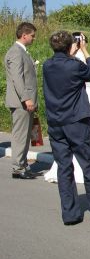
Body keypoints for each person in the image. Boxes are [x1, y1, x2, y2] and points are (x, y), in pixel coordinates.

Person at [42, 31, 90, 225]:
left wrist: (71, 51)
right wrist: (84, 50)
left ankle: (70, 214)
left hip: (56, 123)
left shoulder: (48, 65)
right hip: (76, 122)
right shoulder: (75, 65)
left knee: (64, 168)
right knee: (89, 165)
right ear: (70, 46)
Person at [4, 22, 38, 179]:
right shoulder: (16, 52)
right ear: (24, 35)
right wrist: (26, 98)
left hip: (25, 101)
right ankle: (18, 167)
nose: (34, 38)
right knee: (20, 135)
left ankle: (22, 164)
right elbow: (18, 78)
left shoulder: (22, 52)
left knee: (25, 135)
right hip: (21, 102)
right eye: (32, 35)